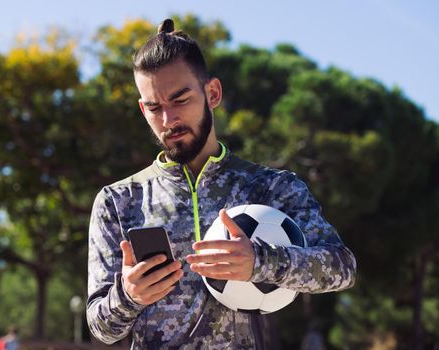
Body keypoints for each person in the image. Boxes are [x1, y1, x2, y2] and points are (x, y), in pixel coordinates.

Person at [86, 18, 356, 349]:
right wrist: (129, 296)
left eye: (180, 99)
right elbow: (101, 327)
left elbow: (342, 268)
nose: (169, 120)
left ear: (212, 92)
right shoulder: (118, 200)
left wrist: (260, 262)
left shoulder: (272, 187)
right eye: (155, 108)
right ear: (143, 110)